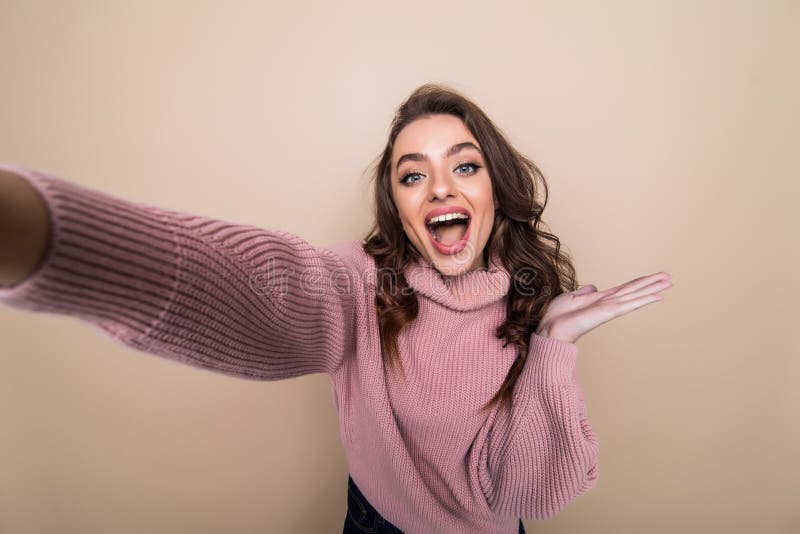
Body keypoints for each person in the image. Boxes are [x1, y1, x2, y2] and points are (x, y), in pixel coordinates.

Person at [0, 83, 672, 533]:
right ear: (400, 203)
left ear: (495, 184)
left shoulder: (531, 299)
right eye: (413, 174)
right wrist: (44, 236)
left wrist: (553, 348)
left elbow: (522, 495)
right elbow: (262, 289)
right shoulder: (361, 282)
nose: (439, 185)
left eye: (464, 166)